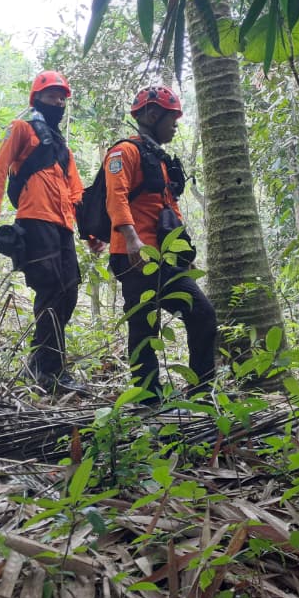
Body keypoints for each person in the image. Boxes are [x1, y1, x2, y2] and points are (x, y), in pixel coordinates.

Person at [0, 71, 103, 392]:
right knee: (51, 289)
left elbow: (76, 192)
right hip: (34, 221)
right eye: (52, 97)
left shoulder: (64, 150)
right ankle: (49, 370)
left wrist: (90, 233)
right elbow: (0, 166)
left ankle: (41, 361)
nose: (58, 102)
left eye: (62, 98)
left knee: (69, 291)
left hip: (63, 227)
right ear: (37, 99)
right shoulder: (22, 129)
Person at [103, 85, 218, 403]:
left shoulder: (161, 160)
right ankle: (147, 399)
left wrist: (184, 254)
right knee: (143, 327)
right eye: (172, 118)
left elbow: (170, 208)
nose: (175, 125)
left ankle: (200, 395)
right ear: (152, 115)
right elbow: (116, 196)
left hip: (166, 257)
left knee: (203, 315)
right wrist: (131, 239)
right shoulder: (122, 152)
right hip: (135, 255)